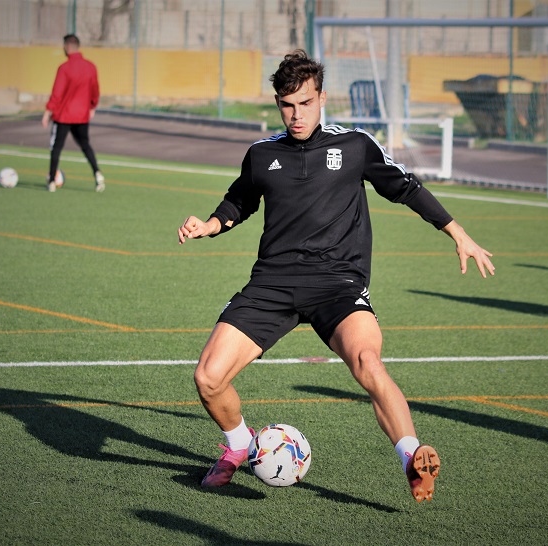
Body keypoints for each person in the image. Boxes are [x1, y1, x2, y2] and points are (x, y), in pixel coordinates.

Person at [178, 50, 495, 503]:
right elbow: (239, 202)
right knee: (209, 377)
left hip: (338, 284)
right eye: (287, 105)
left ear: (322, 98)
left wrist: (457, 233)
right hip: (273, 283)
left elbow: (406, 187)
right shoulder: (262, 154)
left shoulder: (354, 147)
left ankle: (411, 456)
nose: (296, 114)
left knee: (368, 363)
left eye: (305, 103)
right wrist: (209, 225)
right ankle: (238, 446)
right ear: (277, 103)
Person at [41, 34, 104, 193]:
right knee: (85, 145)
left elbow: (57, 93)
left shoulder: (64, 68)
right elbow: (95, 91)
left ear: (67, 47)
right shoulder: (90, 67)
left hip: (64, 116)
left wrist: (48, 111)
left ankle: (52, 181)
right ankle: (97, 174)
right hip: (82, 115)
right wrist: (92, 107)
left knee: (56, 147)